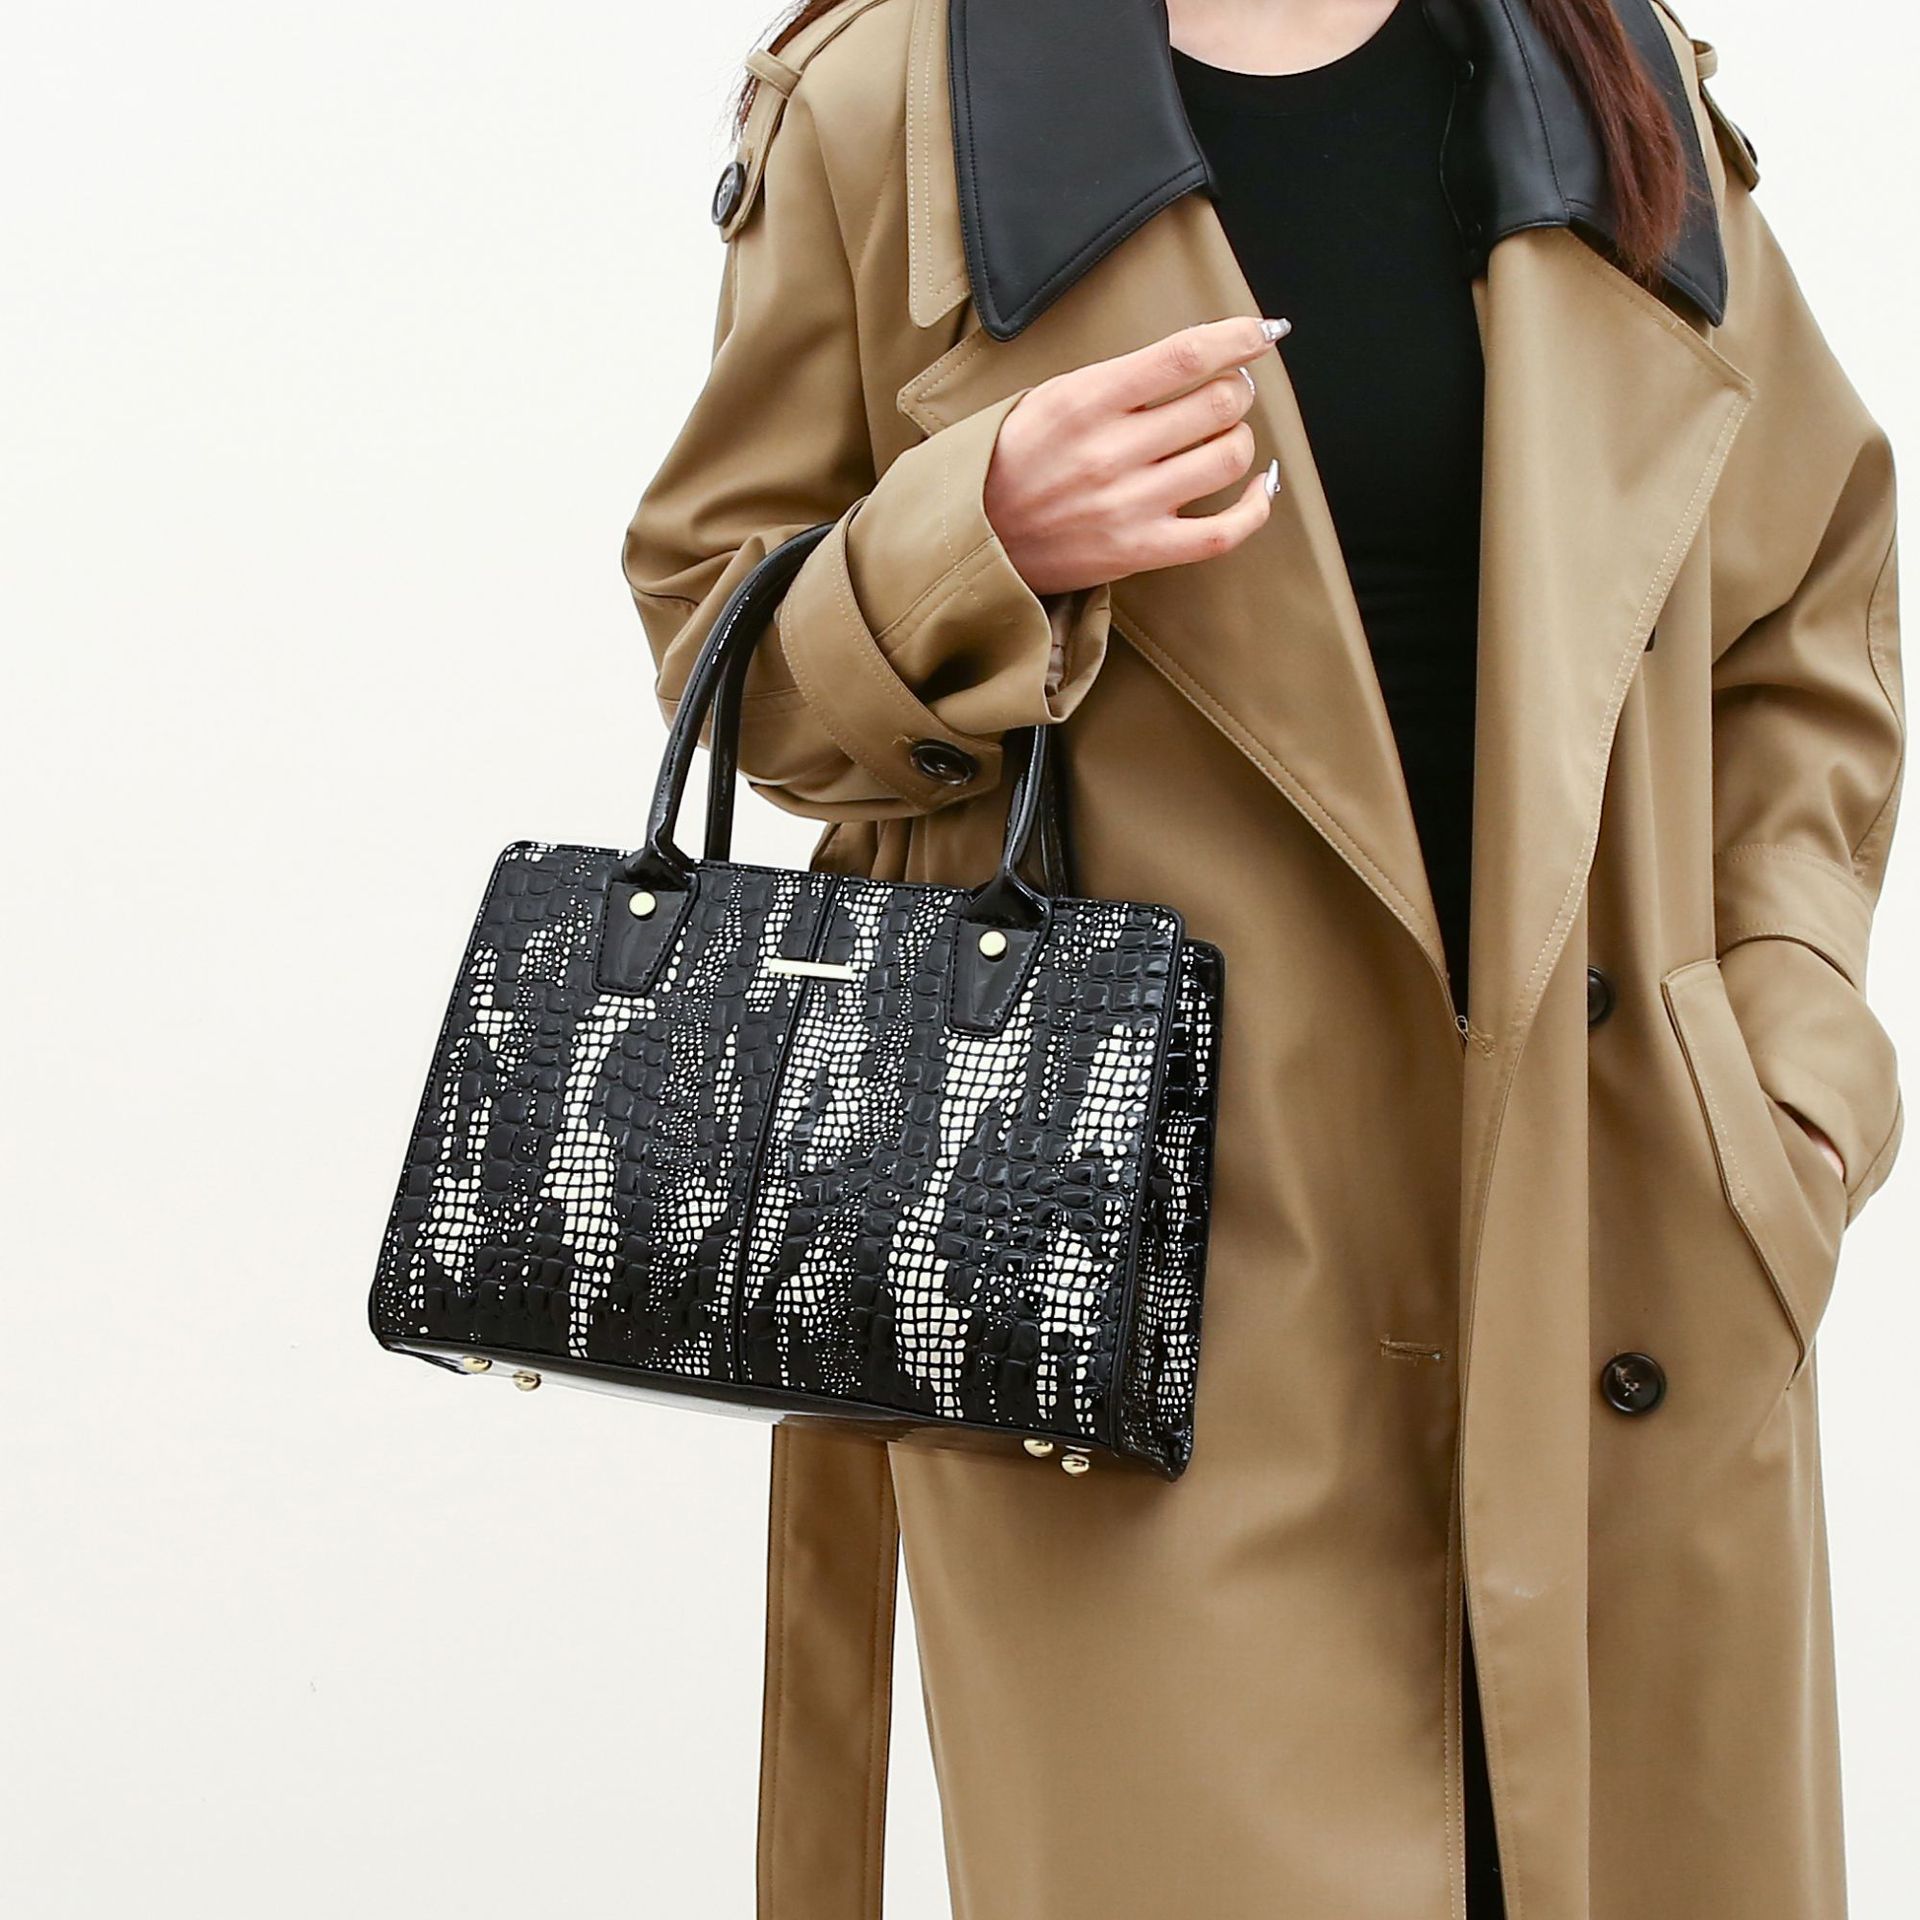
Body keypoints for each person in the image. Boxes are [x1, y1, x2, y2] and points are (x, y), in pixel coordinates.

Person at [623, 2, 1905, 1913]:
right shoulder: (904, 98)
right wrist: (978, 535)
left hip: (1618, 1264)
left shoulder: (1590, 63)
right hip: (1139, 1306)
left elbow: (1804, 603)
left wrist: (1784, 1057)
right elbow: (728, 655)